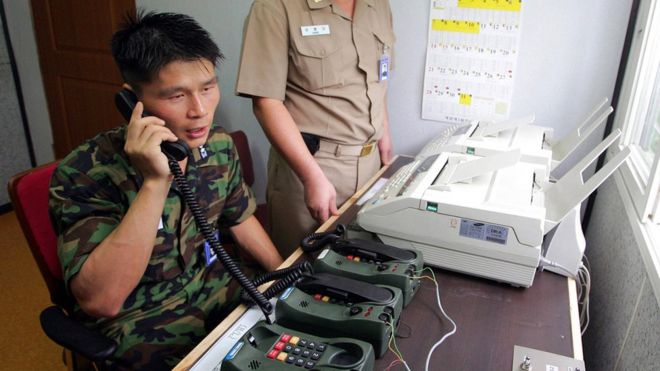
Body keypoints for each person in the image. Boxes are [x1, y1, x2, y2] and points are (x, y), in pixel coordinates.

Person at [49, 11, 283, 370]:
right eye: (177, 96)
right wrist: (155, 182)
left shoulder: (218, 145)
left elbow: (240, 217)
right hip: (141, 326)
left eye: (207, 88)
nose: (200, 110)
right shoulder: (85, 172)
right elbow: (102, 301)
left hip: (219, 294)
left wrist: (285, 282)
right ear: (131, 101)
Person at [236, 0, 396, 258]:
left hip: (370, 165)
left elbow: (379, 79)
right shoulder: (274, 7)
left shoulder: (378, 4)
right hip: (312, 168)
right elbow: (266, 102)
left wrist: (385, 136)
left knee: (362, 268)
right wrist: (312, 177)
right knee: (305, 276)